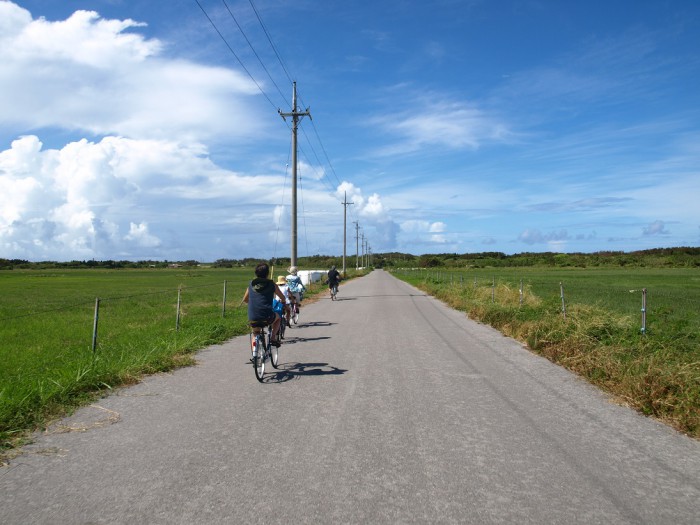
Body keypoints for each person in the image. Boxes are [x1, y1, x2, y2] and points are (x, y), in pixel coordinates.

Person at [242, 262, 287, 349]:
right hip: (268, 317)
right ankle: (273, 338)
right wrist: (283, 302)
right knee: (278, 318)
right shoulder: (272, 284)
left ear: (256, 273)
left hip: (253, 317)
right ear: (267, 273)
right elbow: (282, 297)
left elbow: (245, 299)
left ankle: (255, 356)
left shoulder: (251, 284)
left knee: (255, 334)